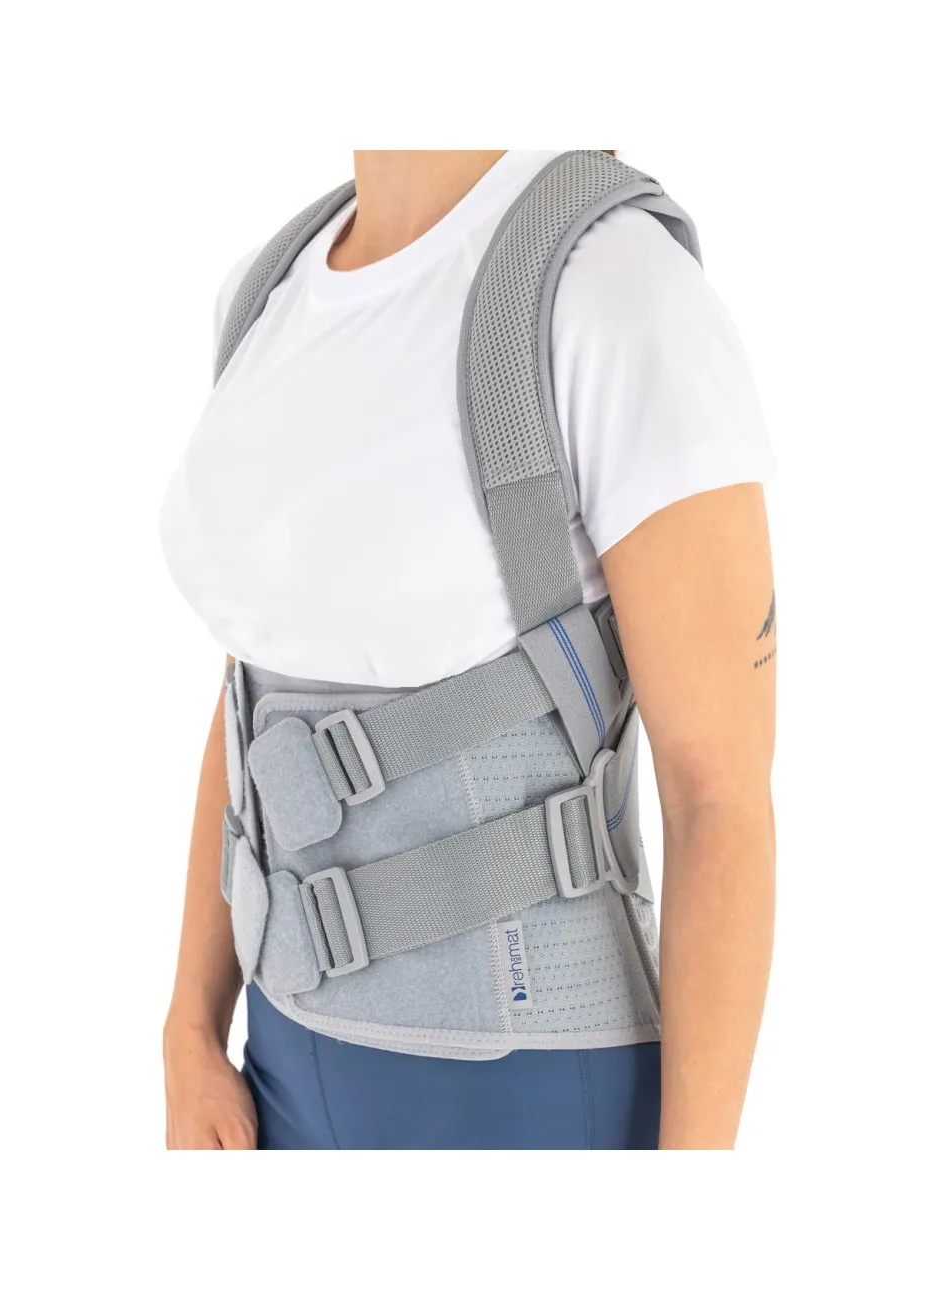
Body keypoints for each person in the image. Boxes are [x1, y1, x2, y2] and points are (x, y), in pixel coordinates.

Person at [160, 150, 777, 1150]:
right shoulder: (266, 296)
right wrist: (189, 1027)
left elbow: (720, 804)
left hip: (525, 1084)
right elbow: (248, 706)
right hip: (273, 1072)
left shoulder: (613, 291)